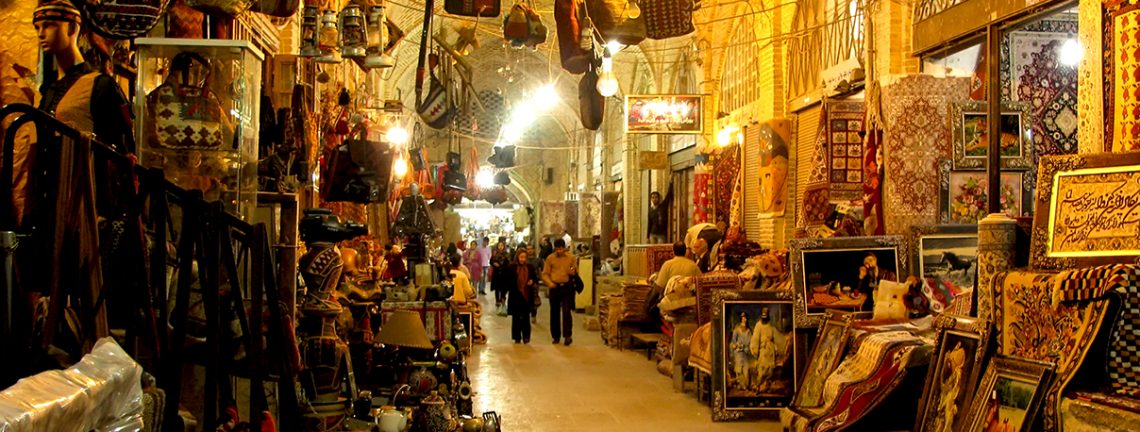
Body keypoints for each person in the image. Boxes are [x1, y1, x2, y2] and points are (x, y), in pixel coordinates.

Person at [34, 0, 135, 154]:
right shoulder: (50, 89)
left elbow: (123, 147)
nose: (41, 34)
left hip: (85, 174)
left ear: (72, 28)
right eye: (37, 27)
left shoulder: (99, 84)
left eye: (49, 25)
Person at [542, 238, 577, 346]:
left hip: (567, 287)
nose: (559, 251)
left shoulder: (571, 258)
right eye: (557, 249)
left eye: (561, 249)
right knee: (554, 312)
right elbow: (545, 274)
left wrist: (572, 271)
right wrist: (549, 283)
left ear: (564, 248)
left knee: (567, 311)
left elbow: (575, 271)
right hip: (555, 287)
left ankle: (567, 336)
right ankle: (556, 336)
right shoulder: (550, 258)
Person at [506, 249, 539, 344]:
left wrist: (532, 281)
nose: (523, 259)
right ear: (517, 257)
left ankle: (526, 336)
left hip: (527, 295)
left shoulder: (530, 267)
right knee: (516, 317)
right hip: (515, 295)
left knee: (525, 317)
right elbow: (508, 281)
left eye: (524, 257)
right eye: (521, 257)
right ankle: (517, 337)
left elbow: (535, 278)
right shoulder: (512, 267)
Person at [750, 307, 777, 392]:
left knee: (770, 371)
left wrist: (775, 348)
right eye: (763, 316)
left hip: (770, 351)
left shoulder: (770, 325)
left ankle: (767, 386)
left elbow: (773, 338)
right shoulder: (758, 325)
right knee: (762, 370)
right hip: (763, 350)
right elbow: (755, 339)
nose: (764, 318)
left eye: (766, 316)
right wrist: (755, 351)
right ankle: (758, 386)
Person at [730, 313, 753, 390]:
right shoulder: (736, 330)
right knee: (739, 369)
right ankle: (741, 384)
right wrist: (736, 346)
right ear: (741, 319)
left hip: (745, 353)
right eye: (743, 318)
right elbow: (733, 342)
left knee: (746, 370)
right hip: (738, 353)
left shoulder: (749, 331)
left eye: (745, 318)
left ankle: (746, 385)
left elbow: (750, 342)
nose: (744, 320)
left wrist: (748, 348)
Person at [490, 239, 511, 313]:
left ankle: (502, 298)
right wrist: (494, 264)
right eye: (499, 246)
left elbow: (509, 263)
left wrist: (502, 266)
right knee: (497, 288)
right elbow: (491, 261)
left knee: (504, 288)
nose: (500, 247)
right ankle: (497, 301)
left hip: (504, 273)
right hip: (496, 273)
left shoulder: (507, 254)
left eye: (502, 245)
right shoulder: (495, 254)